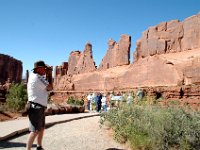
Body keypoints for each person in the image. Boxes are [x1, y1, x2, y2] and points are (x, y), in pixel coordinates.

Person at [26, 60, 53, 150]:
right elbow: (50, 87)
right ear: (39, 69)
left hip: (38, 106)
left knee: (41, 128)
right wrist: (50, 75)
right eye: (44, 68)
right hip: (36, 107)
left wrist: (47, 73)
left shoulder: (36, 76)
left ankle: (39, 146)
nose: (45, 70)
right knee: (34, 131)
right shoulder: (37, 77)